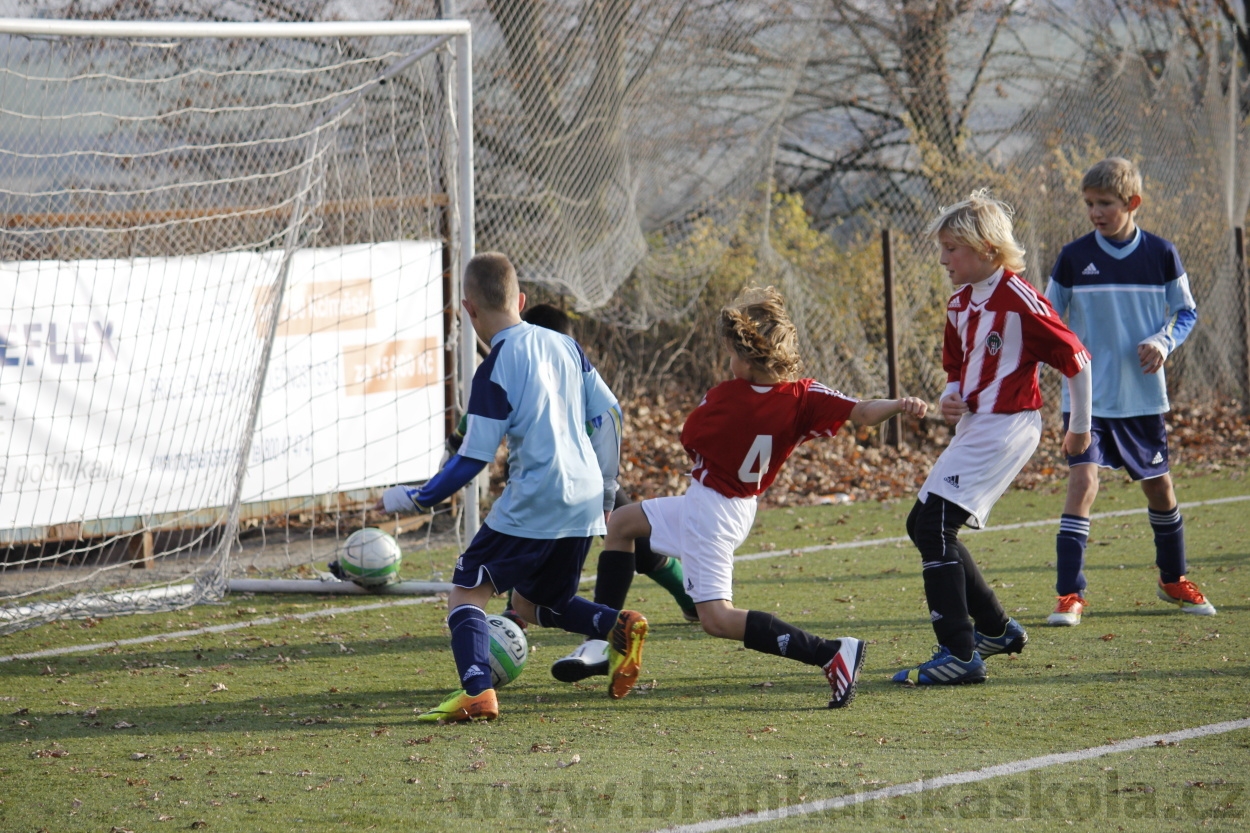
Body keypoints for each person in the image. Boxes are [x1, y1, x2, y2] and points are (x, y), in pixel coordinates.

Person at [553, 285, 928, 709]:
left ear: (748, 360)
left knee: (717, 619)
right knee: (621, 525)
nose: (729, 363)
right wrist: (900, 403)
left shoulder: (725, 396)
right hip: (736, 505)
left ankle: (829, 652)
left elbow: (689, 438)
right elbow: (862, 412)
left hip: (711, 511)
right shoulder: (804, 396)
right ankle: (600, 643)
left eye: (732, 354)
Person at [379, 252, 648, 723]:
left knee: (467, 592)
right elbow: (608, 415)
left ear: (468, 310)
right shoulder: (565, 346)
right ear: (520, 300)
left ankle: (477, 692)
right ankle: (618, 626)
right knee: (547, 602)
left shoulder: (496, 365)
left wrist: (418, 497)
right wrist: (606, 490)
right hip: (583, 494)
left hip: (536, 497)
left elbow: (474, 458)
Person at [891, 189, 1093, 686]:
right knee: (923, 523)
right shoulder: (961, 302)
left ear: (986, 249)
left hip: (1008, 426)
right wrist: (951, 394)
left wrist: (1080, 426)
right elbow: (956, 364)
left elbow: (1077, 360)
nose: (943, 259)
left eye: (952, 249)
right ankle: (997, 631)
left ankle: (959, 653)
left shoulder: (1020, 300)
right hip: (976, 424)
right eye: (942, 248)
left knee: (936, 524)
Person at [443, 303, 698, 636]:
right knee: (527, 528)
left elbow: (609, 419)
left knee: (634, 542)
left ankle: (685, 597)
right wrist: (456, 440)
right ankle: (516, 609)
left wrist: (606, 485)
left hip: (587, 478)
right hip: (543, 474)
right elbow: (477, 416)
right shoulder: (522, 366)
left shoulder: (577, 373)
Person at [1043, 157, 1213, 626]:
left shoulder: (1161, 253)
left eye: (1106, 204)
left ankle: (1173, 580)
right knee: (1083, 483)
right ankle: (1069, 595)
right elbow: (1047, 318)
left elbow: (1185, 313)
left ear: (1132, 203)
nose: (1095, 212)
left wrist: (1162, 341)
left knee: (1160, 488)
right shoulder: (1074, 257)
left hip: (1141, 398)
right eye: (1090, 204)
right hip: (1087, 401)